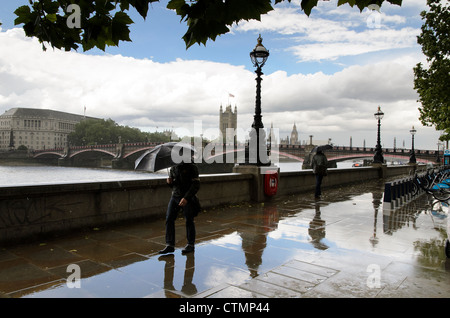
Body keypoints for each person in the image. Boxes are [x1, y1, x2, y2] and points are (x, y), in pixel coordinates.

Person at [159, 161, 200, 254]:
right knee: (169, 218)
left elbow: (196, 185)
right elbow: (174, 185)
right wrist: (169, 182)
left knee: (189, 220)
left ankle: (190, 244)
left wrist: (186, 198)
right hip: (175, 197)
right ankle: (169, 245)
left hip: (187, 197)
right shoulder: (173, 168)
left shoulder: (192, 167)